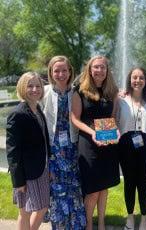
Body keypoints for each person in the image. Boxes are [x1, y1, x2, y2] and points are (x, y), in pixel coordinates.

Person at [71, 55, 120, 230]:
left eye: (103, 67)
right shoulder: (80, 91)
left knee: (104, 187)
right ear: (90, 70)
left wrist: (115, 130)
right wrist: (93, 133)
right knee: (93, 190)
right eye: (96, 67)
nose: (99, 70)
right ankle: (89, 225)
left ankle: (101, 223)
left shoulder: (112, 92)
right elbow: (75, 119)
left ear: (107, 71)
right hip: (89, 144)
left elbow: (112, 117)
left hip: (107, 144)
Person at [42, 55, 86, 229]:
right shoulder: (44, 92)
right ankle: (60, 225)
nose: (61, 74)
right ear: (51, 73)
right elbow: (26, 101)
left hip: (72, 146)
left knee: (74, 186)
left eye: (64, 70)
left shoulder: (77, 92)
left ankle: (75, 224)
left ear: (70, 71)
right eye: (56, 70)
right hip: (53, 148)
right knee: (57, 187)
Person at [115, 67, 146, 230]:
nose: (137, 81)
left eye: (141, 78)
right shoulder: (120, 100)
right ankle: (130, 217)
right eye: (134, 77)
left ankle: (145, 218)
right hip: (125, 147)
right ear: (129, 79)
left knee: (144, 183)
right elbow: (113, 119)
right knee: (129, 183)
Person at [6, 72, 50, 230]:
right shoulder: (17, 114)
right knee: (25, 212)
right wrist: (18, 181)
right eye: (30, 86)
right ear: (22, 88)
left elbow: (45, 140)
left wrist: (49, 164)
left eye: (38, 86)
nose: (34, 89)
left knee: (42, 207)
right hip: (26, 173)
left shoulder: (37, 110)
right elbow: (12, 151)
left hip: (41, 169)